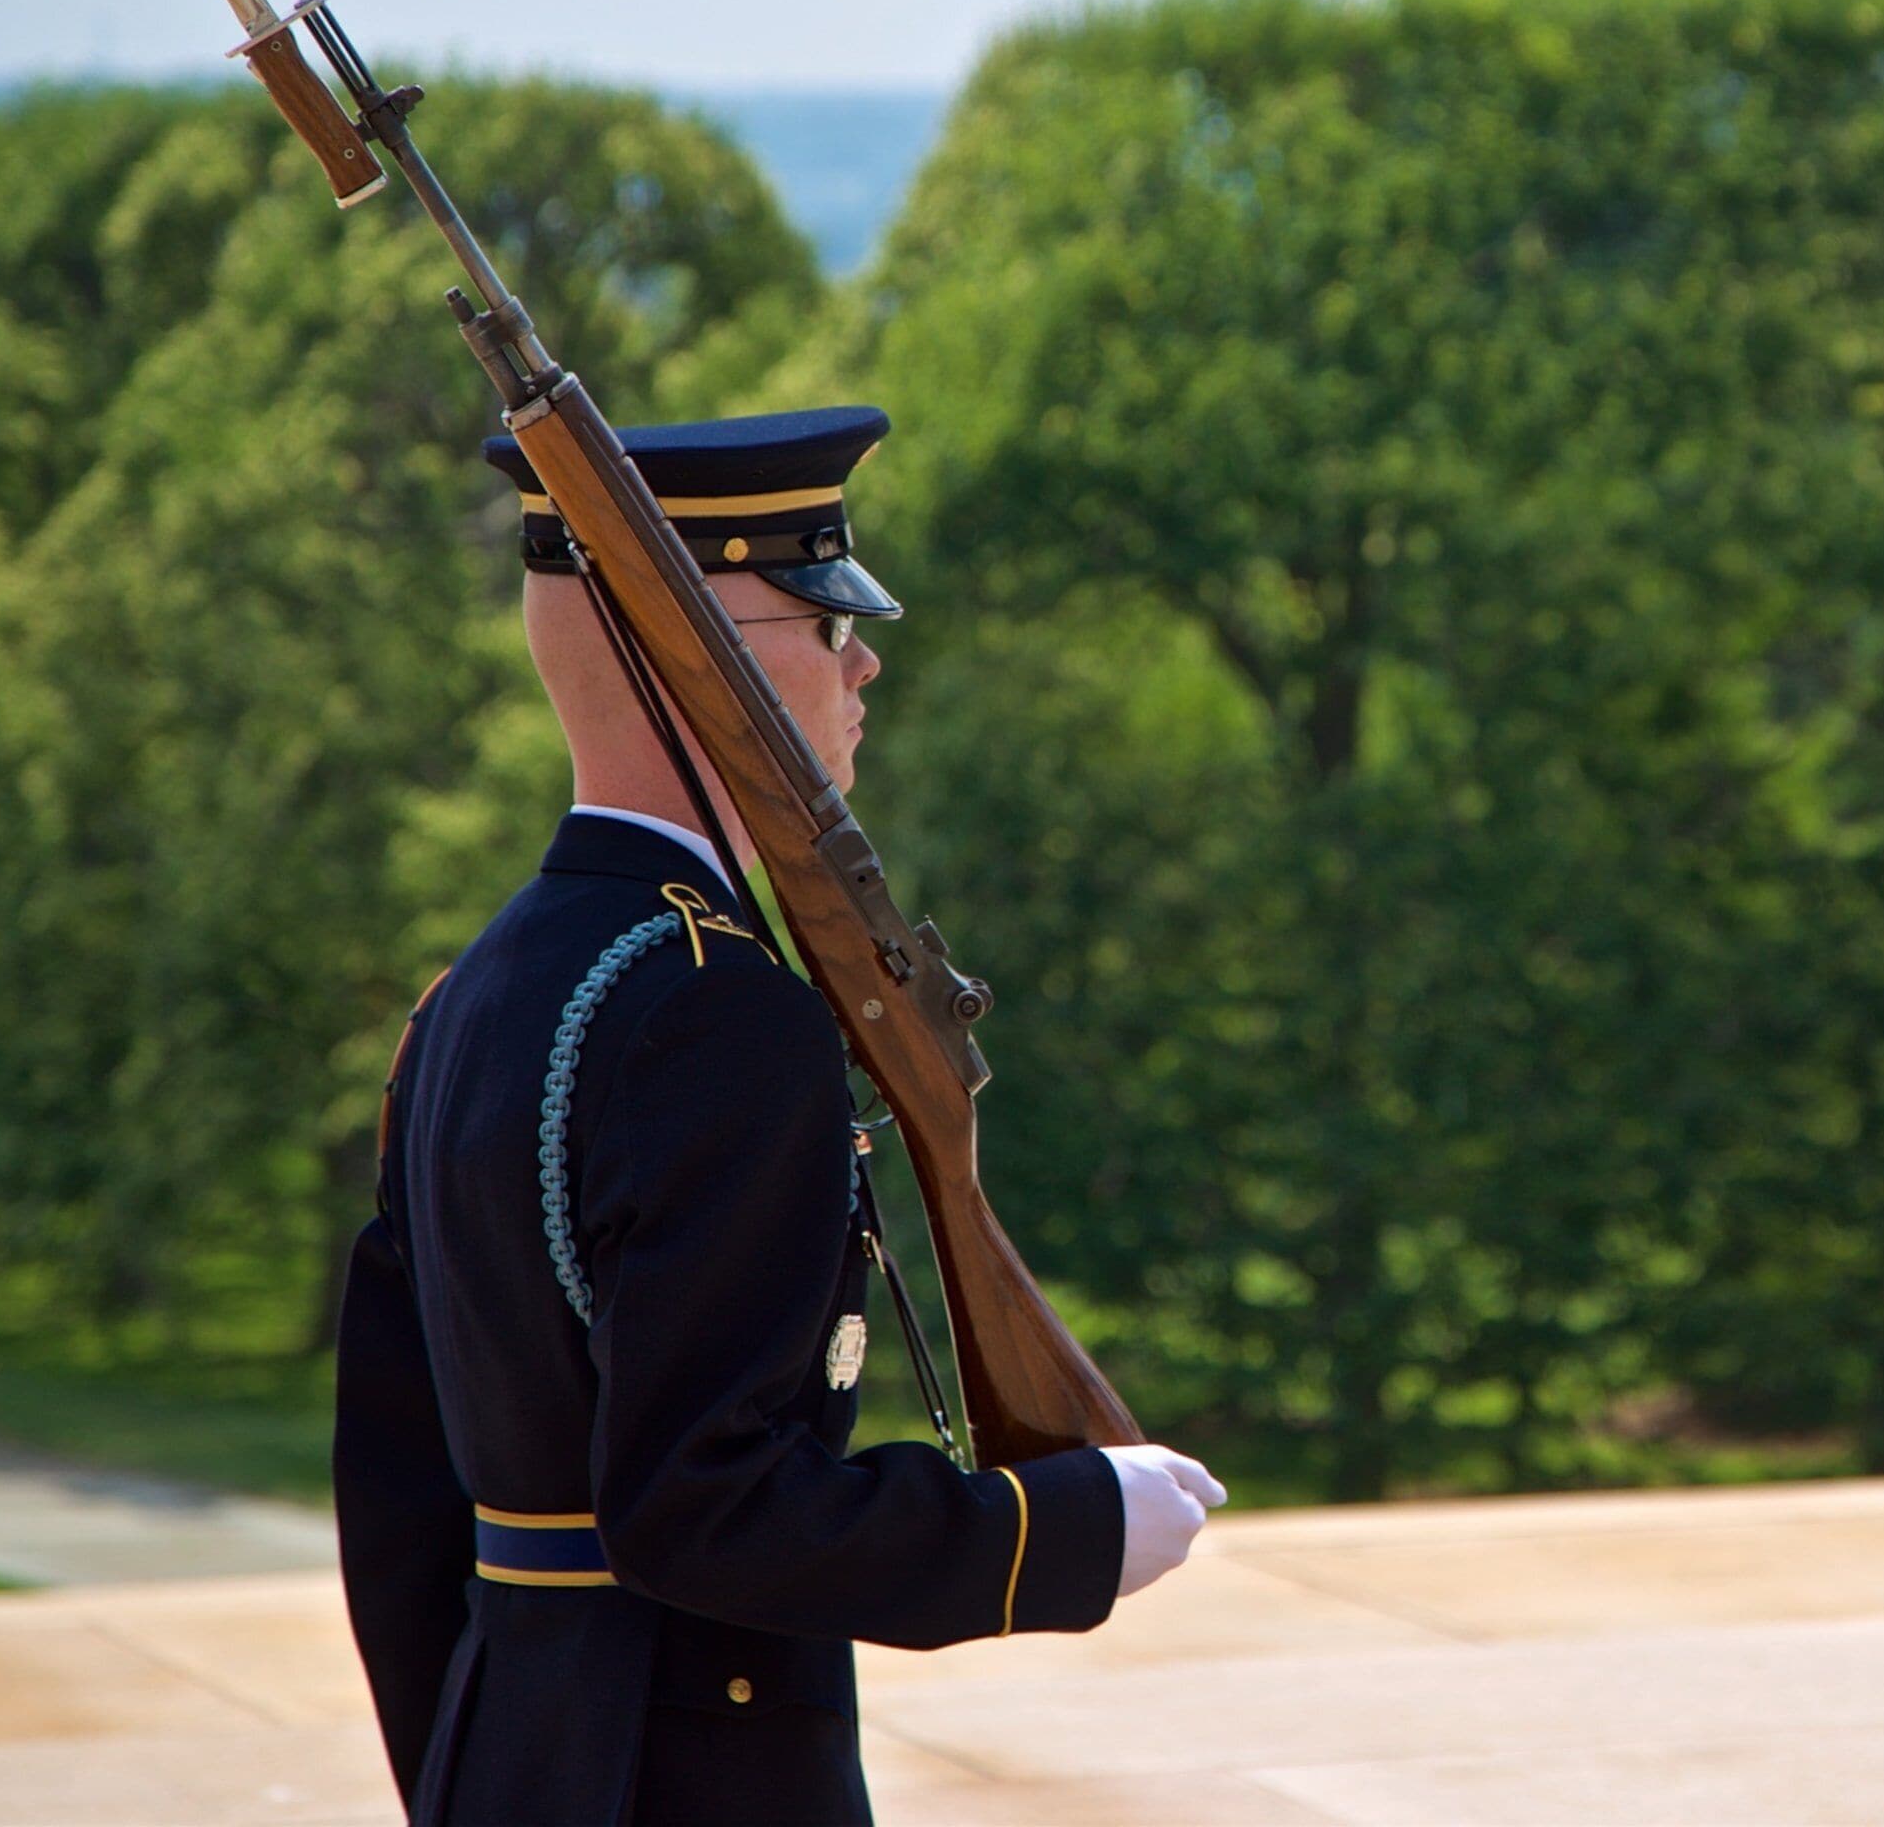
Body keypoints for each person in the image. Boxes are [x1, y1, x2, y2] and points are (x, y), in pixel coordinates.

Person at [331, 405, 1222, 1825]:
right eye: (823, 622)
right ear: (713, 665)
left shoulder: (471, 998)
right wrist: (1053, 1532)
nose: (864, 659)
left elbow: (398, 1499)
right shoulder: (713, 1006)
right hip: (699, 1772)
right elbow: (711, 1507)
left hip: (516, 1756)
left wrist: (472, 1767)